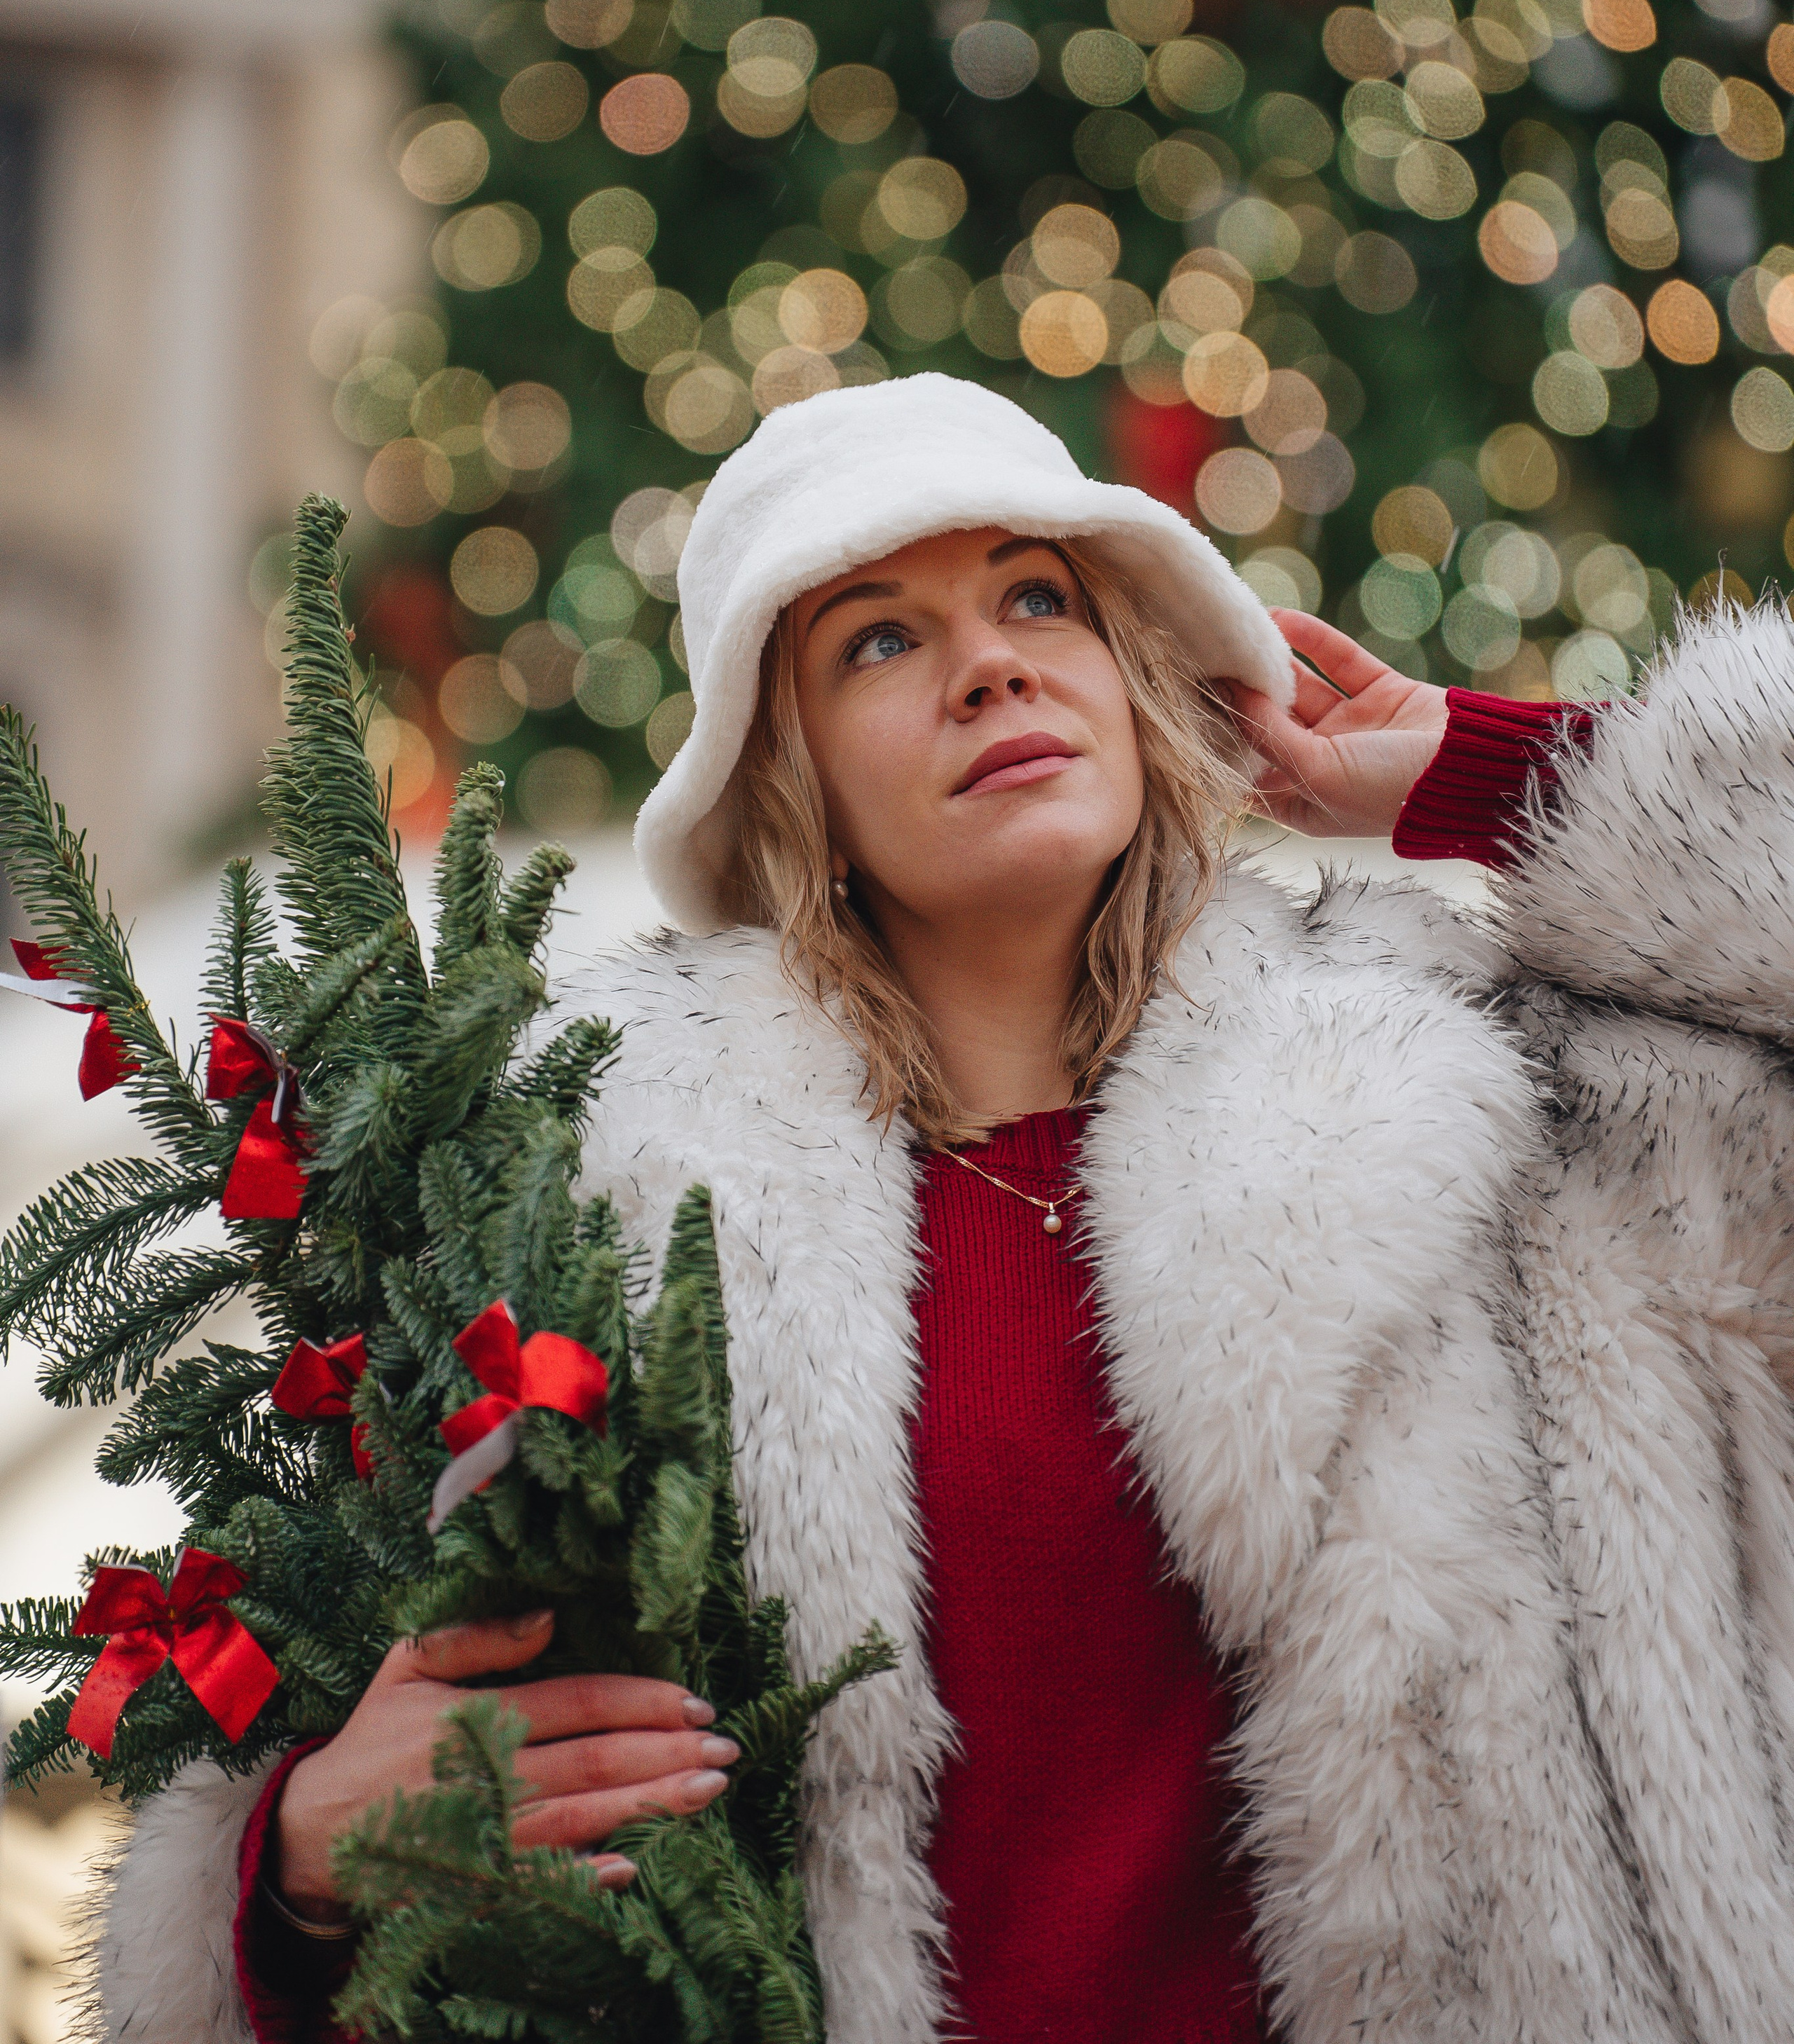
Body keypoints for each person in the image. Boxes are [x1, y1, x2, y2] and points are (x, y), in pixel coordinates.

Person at [92, 376, 1794, 2044]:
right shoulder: (581, 1233)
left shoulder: (1509, 1105)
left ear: (1129, 681)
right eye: (878, 641)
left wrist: (1491, 775)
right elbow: (337, 1784)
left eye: (1034, 598)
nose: (988, 664)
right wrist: (295, 1869)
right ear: (793, 783)